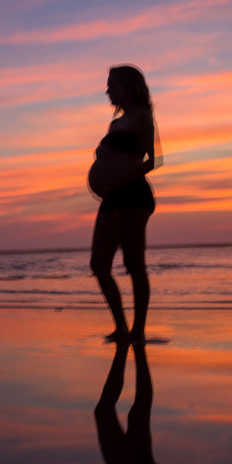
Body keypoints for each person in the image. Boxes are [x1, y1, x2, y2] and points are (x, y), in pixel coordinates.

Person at [89, 65, 157, 342]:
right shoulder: (115, 124)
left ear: (128, 86)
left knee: (133, 263)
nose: (107, 90)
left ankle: (138, 330)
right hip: (112, 196)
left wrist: (118, 181)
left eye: (112, 84)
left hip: (133, 196)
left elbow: (153, 161)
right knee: (98, 264)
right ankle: (121, 327)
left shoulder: (143, 117)